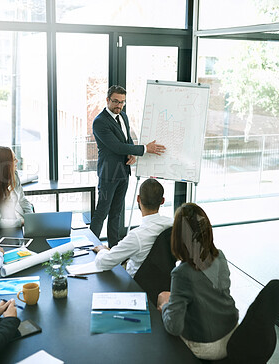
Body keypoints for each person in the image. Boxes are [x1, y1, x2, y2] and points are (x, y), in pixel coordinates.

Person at [157, 203, 239, 360]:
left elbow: (174, 327)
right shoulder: (219, 256)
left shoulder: (182, 273)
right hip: (233, 332)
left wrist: (165, 306)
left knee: (163, 301)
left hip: (209, 345)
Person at [90, 85, 166, 248]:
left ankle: (114, 248)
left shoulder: (123, 116)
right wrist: (144, 149)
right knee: (101, 212)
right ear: (107, 100)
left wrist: (132, 153)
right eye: (116, 101)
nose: (119, 105)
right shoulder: (100, 122)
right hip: (109, 174)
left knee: (116, 213)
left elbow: (126, 140)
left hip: (124, 171)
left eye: (122, 102)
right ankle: (90, 246)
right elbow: (116, 146)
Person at [92, 178, 172, 277]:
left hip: (137, 284)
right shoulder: (173, 224)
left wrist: (102, 250)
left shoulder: (137, 236)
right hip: (165, 280)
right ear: (162, 201)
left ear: (138, 199)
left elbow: (103, 263)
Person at [0, 146, 33, 229]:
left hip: (24, 226)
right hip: (8, 230)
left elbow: (23, 200)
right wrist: (22, 222)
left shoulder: (14, 176)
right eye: (14, 159)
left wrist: (31, 218)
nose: (17, 161)